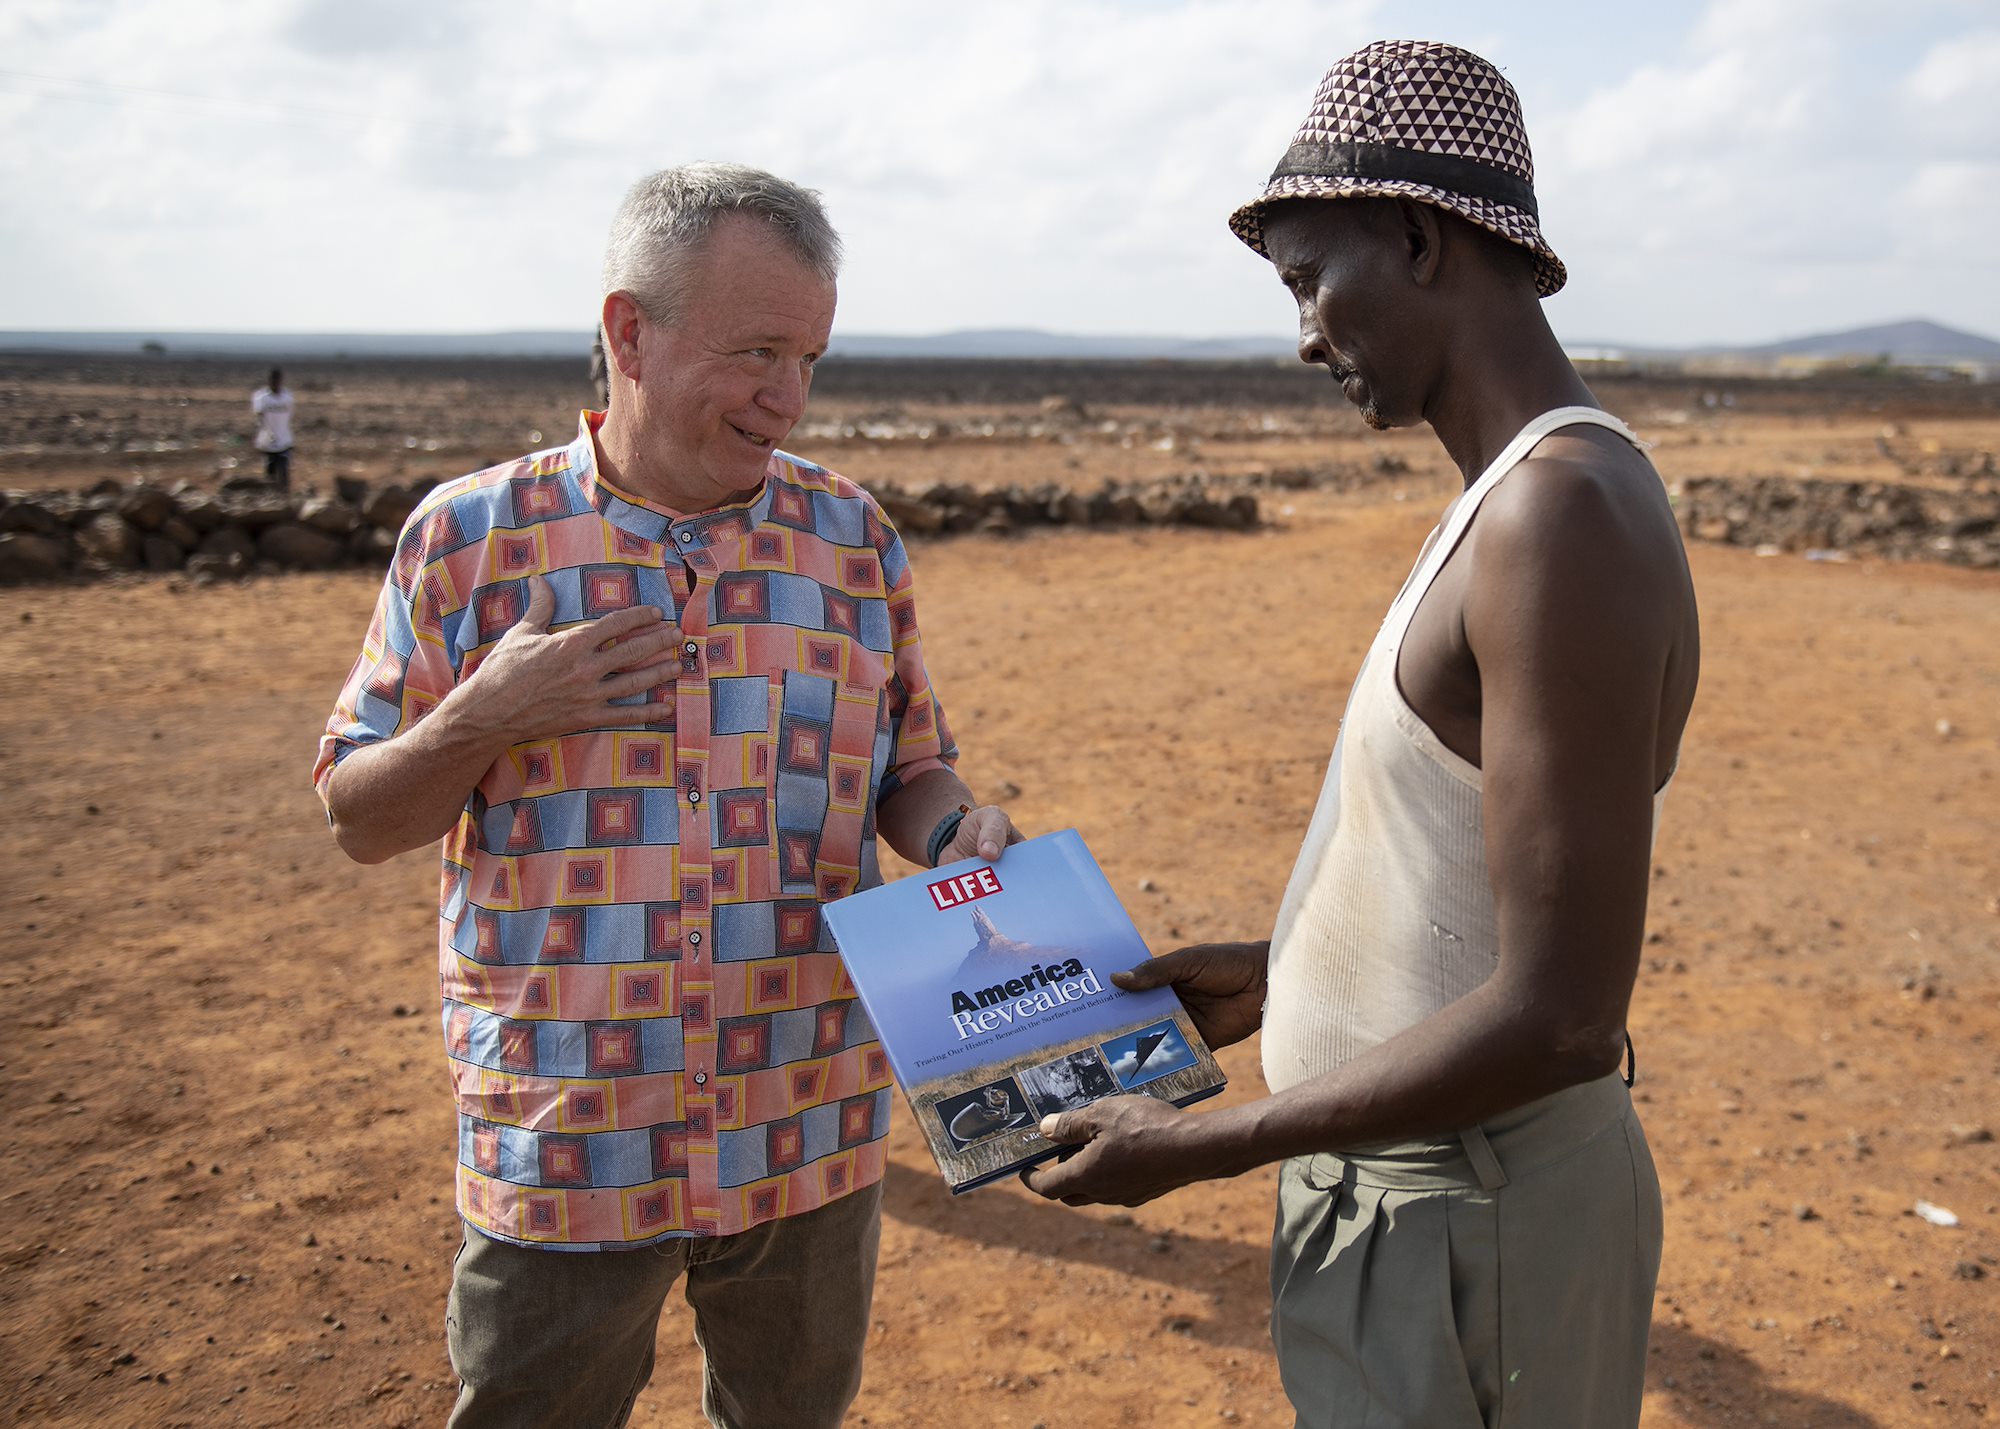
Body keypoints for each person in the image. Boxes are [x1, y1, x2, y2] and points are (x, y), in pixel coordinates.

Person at [1022, 40, 1700, 1429]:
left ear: (1416, 236)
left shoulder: (1553, 518)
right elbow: (1488, 898)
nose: (1306, 336)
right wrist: (1288, 971)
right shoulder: (1515, 499)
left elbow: (1563, 1014)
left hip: (1470, 1213)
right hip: (1436, 1197)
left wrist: (1201, 1143)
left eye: (1308, 282)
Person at [313, 162, 1019, 1429]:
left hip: (804, 1119)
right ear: (626, 332)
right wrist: (489, 713)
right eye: (756, 350)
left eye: (809, 357)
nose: (786, 397)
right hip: (574, 1131)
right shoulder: (468, 542)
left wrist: (958, 830)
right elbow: (358, 816)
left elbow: (909, 769)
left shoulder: (852, 539)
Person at [251, 367, 295, 488]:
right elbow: (258, 415)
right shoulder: (261, 397)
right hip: (267, 441)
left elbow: (290, 415)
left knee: (284, 471)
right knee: (270, 472)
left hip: (284, 440)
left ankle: (285, 496)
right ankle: (271, 496)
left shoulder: (287, 397)